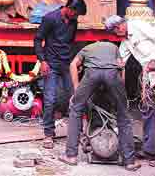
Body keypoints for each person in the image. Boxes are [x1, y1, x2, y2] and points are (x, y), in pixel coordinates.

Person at [59, 20, 141, 171]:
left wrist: (77, 89)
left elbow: (72, 65)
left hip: (92, 74)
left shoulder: (86, 49)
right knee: (123, 116)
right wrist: (120, 91)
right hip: (112, 74)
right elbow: (121, 66)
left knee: (76, 110)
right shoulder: (114, 48)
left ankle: (70, 156)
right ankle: (130, 161)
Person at [34, 0, 87, 149]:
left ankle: (79, 132)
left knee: (76, 97)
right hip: (51, 64)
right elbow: (38, 40)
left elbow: (71, 42)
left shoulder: (73, 21)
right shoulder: (50, 18)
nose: (76, 17)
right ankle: (49, 134)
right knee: (50, 99)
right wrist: (42, 60)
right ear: (69, 9)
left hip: (67, 64)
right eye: (76, 14)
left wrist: (75, 62)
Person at [108, 14, 155, 164]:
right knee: (148, 109)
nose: (117, 34)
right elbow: (121, 60)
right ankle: (150, 150)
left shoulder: (139, 25)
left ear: (121, 25)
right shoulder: (126, 40)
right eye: (114, 32)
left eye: (116, 30)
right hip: (149, 75)